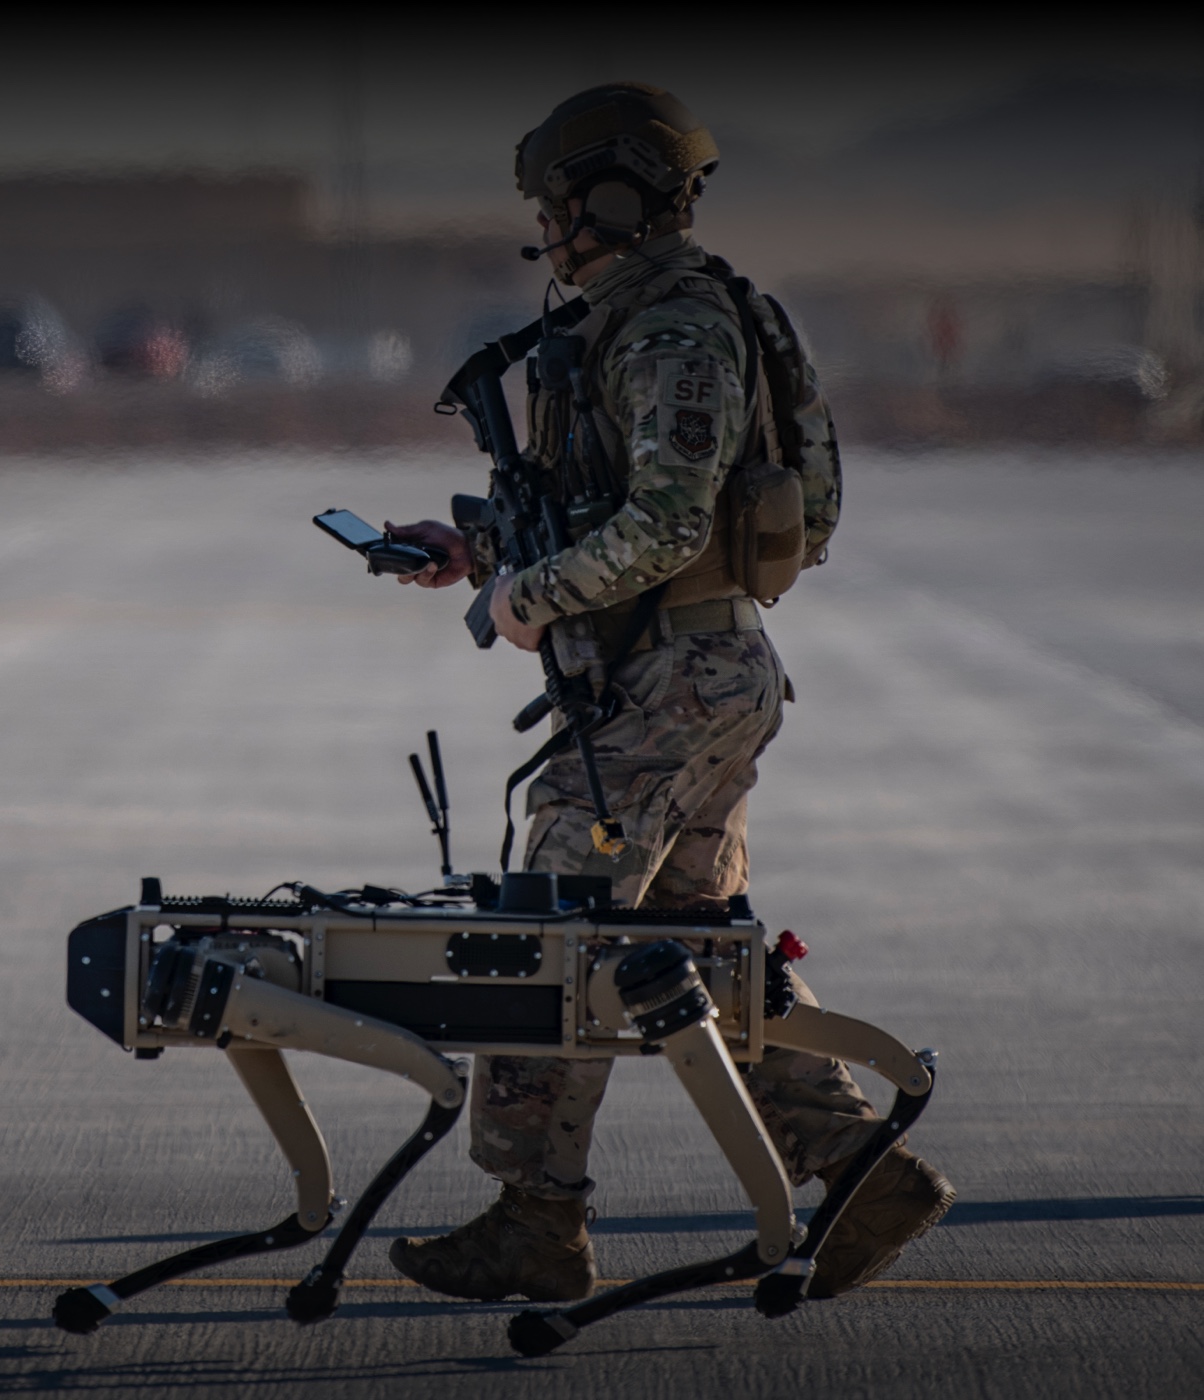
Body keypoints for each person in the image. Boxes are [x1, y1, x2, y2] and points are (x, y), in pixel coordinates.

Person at [378, 81, 954, 1304]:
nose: (550, 228)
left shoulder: (674, 330)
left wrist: (527, 598)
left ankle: (537, 1218)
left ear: (619, 196)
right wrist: (481, 554)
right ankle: (863, 1172)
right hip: (683, 673)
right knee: (688, 953)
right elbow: (649, 520)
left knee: (549, 938)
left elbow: (668, 520)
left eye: (561, 204)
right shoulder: (645, 321)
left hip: (672, 682)